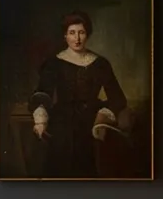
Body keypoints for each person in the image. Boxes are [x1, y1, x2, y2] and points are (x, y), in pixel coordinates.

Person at [28, 11, 130, 178]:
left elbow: (117, 98)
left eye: (81, 32)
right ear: (65, 36)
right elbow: (43, 94)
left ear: (87, 34)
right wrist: (40, 119)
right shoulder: (54, 63)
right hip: (61, 121)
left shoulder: (100, 63)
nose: (77, 38)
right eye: (72, 33)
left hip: (90, 122)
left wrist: (102, 118)